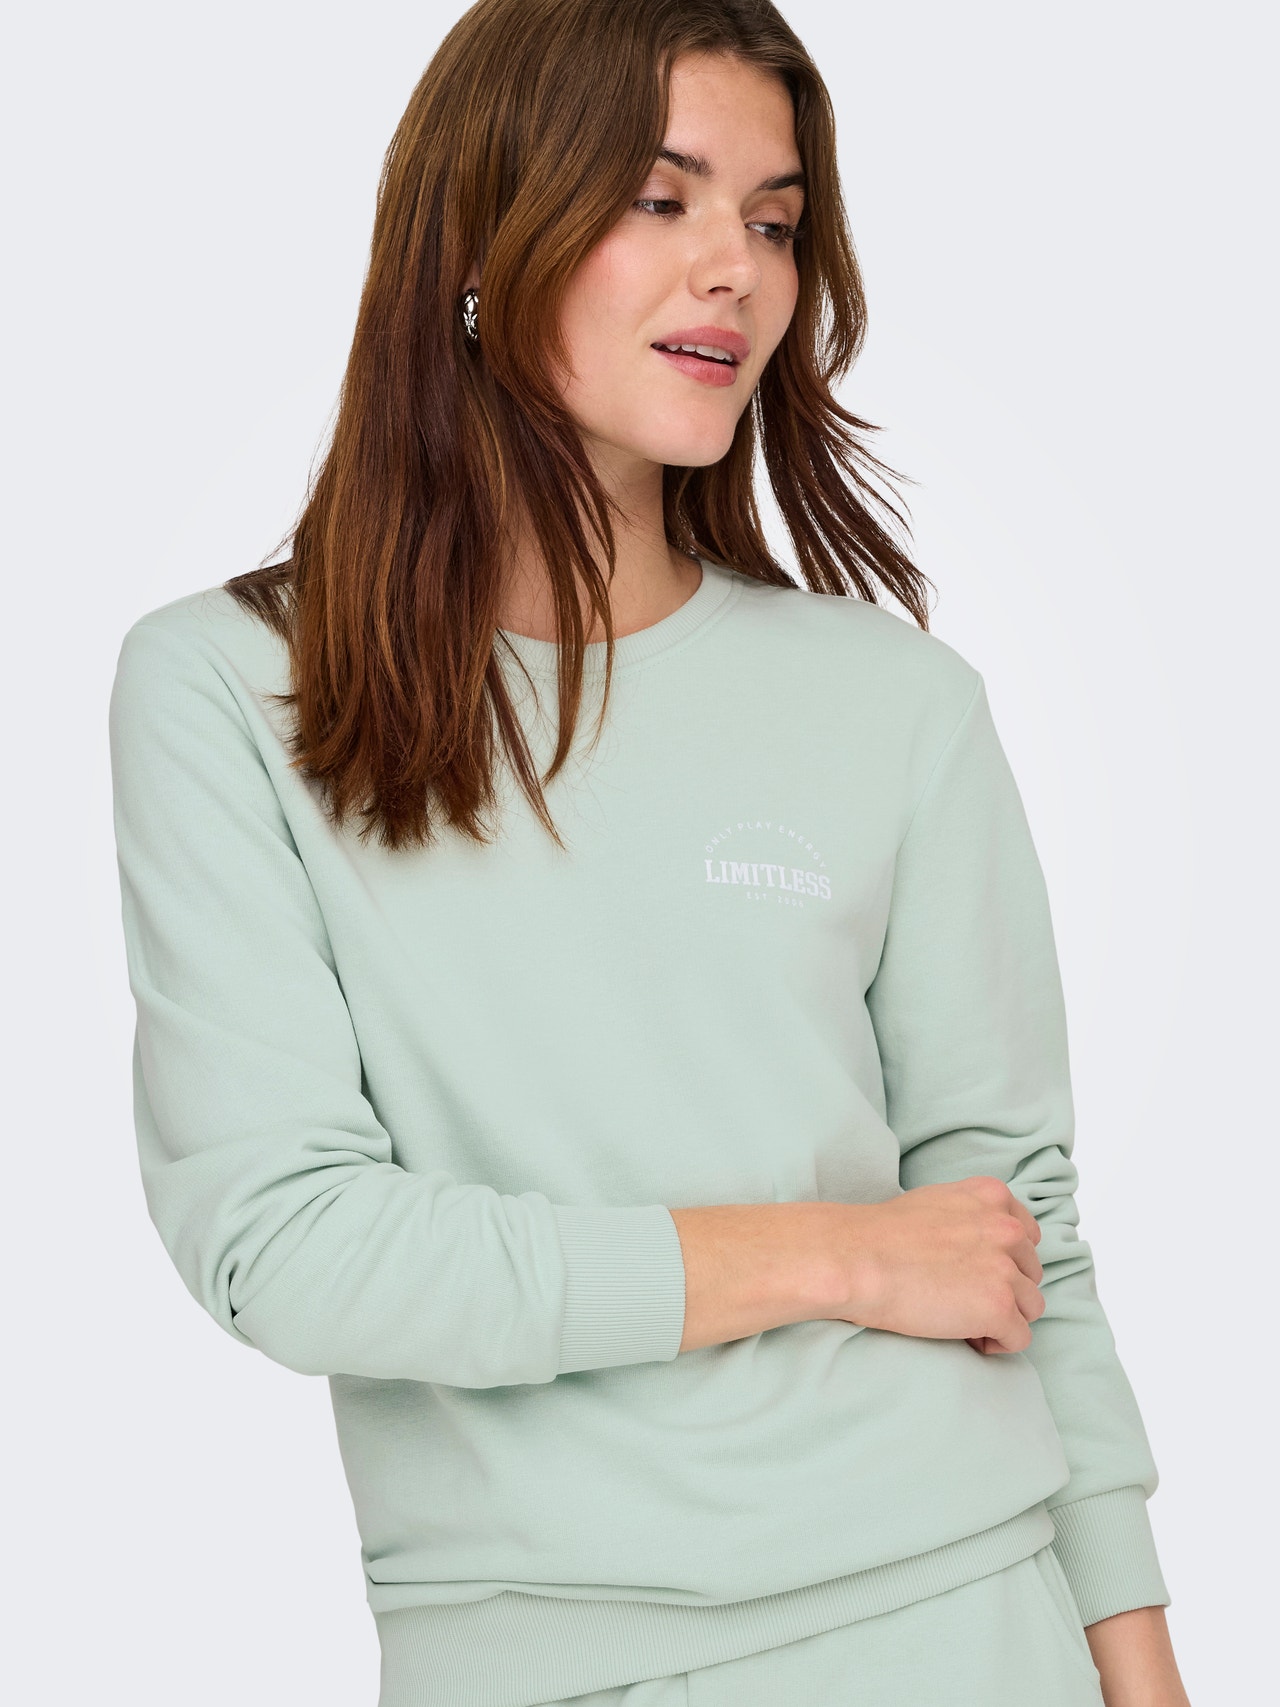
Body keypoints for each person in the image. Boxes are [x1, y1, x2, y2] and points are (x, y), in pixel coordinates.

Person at [107, 2, 1192, 1704]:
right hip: (538, 1655)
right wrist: (835, 1253)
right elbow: (291, 1247)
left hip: (969, 1616)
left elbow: (1015, 1227)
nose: (736, 270)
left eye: (774, 220)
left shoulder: (894, 703)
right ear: (481, 238)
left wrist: (1140, 1665)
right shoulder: (235, 689)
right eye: (658, 198)